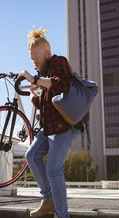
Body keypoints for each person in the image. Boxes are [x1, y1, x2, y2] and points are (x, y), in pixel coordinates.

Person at [19, 26, 83, 218]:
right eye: (31, 58)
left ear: (47, 53)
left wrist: (36, 80)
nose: (34, 61)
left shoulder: (58, 62)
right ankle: (48, 200)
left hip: (65, 127)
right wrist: (32, 92)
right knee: (31, 156)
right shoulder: (45, 72)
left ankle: (62, 215)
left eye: (37, 57)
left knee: (53, 169)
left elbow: (63, 83)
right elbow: (43, 103)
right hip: (49, 128)